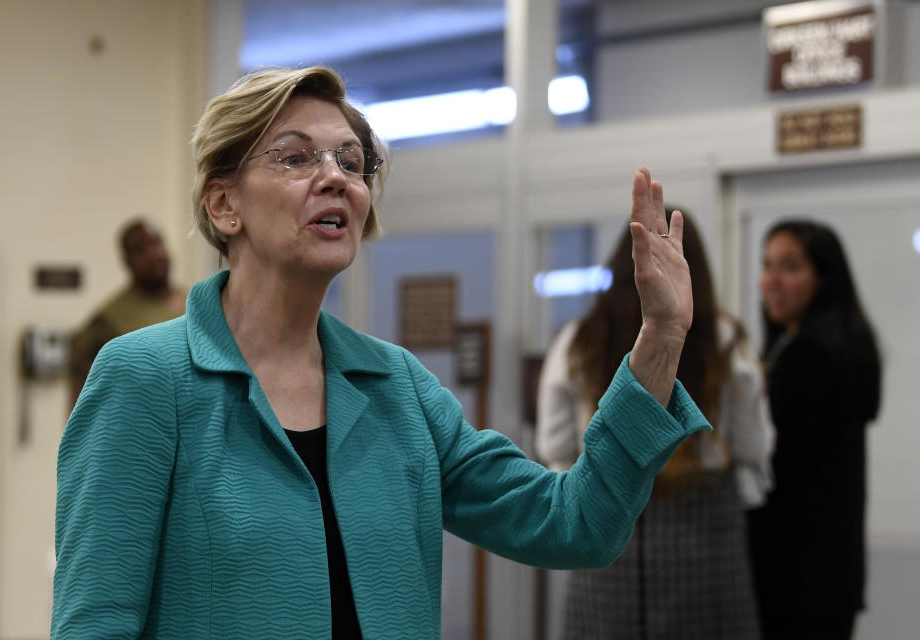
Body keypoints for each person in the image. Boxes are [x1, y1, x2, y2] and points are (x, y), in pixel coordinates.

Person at [51, 66, 710, 640]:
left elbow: (574, 524)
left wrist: (661, 340)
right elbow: (94, 623)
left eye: (351, 161)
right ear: (225, 205)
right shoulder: (145, 379)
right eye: (296, 157)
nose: (336, 178)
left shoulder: (397, 388)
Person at [536, 211, 774, 640]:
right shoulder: (724, 339)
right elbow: (752, 447)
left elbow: (555, 447)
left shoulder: (578, 340)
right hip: (704, 531)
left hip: (607, 518)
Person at [748, 219, 882, 640]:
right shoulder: (821, 345)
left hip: (799, 575)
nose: (771, 281)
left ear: (823, 278)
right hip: (823, 574)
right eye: (767, 265)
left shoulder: (813, 355)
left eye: (789, 267)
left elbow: (768, 457)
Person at [68, 218, 185, 405]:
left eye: (156, 244)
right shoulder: (109, 320)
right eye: (140, 250)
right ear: (126, 260)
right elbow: (81, 391)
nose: (153, 254)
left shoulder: (198, 302)